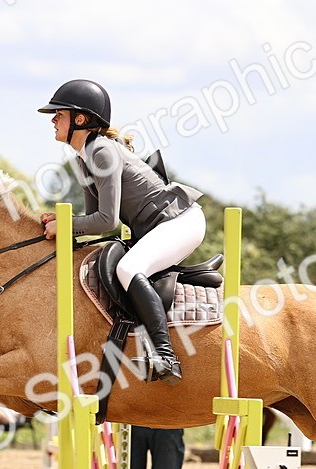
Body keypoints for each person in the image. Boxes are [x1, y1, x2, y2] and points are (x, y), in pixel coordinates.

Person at [38, 79, 205, 385]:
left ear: (80, 119)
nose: (52, 120)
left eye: (58, 114)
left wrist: (66, 224)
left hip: (180, 221)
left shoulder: (102, 151)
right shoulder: (82, 159)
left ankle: (166, 356)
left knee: (129, 268)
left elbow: (106, 222)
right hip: (158, 225)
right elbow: (90, 218)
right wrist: (63, 223)